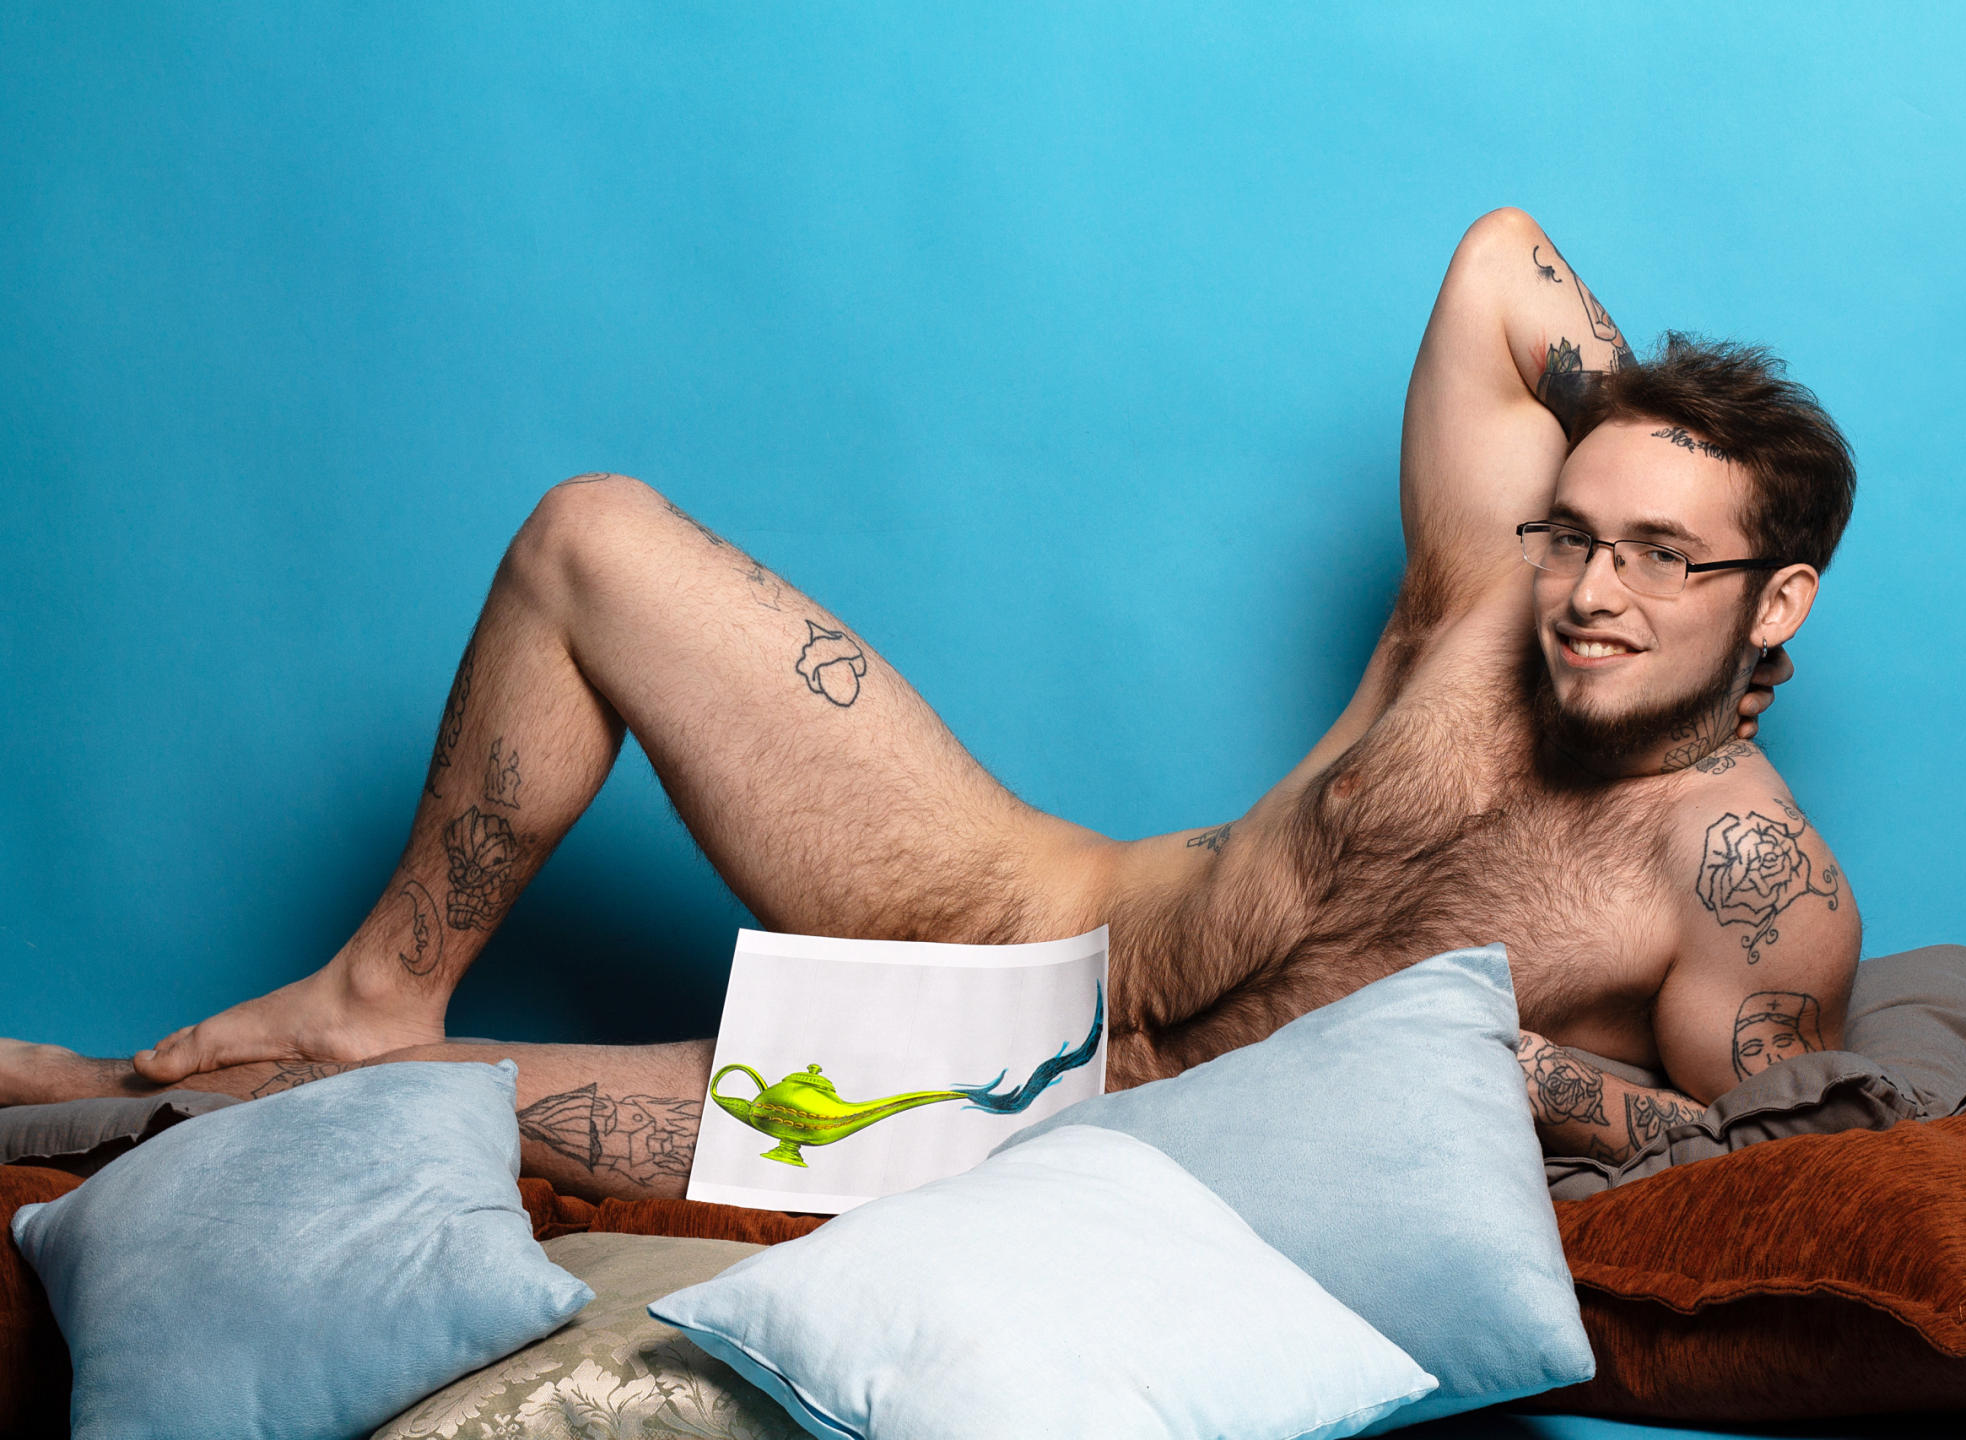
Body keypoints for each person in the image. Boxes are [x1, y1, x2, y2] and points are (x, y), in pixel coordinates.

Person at [0, 208, 1859, 1197]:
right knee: (592, 541)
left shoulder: (1747, 884)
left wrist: (1544, 1088)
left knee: (390, 1120)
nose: (1593, 595)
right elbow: (1500, 260)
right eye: (1580, 536)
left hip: (1024, 1112)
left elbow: (1766, 1159)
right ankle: (370, 985)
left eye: (1666, 562)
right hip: (1021, 899)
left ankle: (158, 1083)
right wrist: (1641, 452)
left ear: (1778, 600)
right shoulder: (1489, 595)